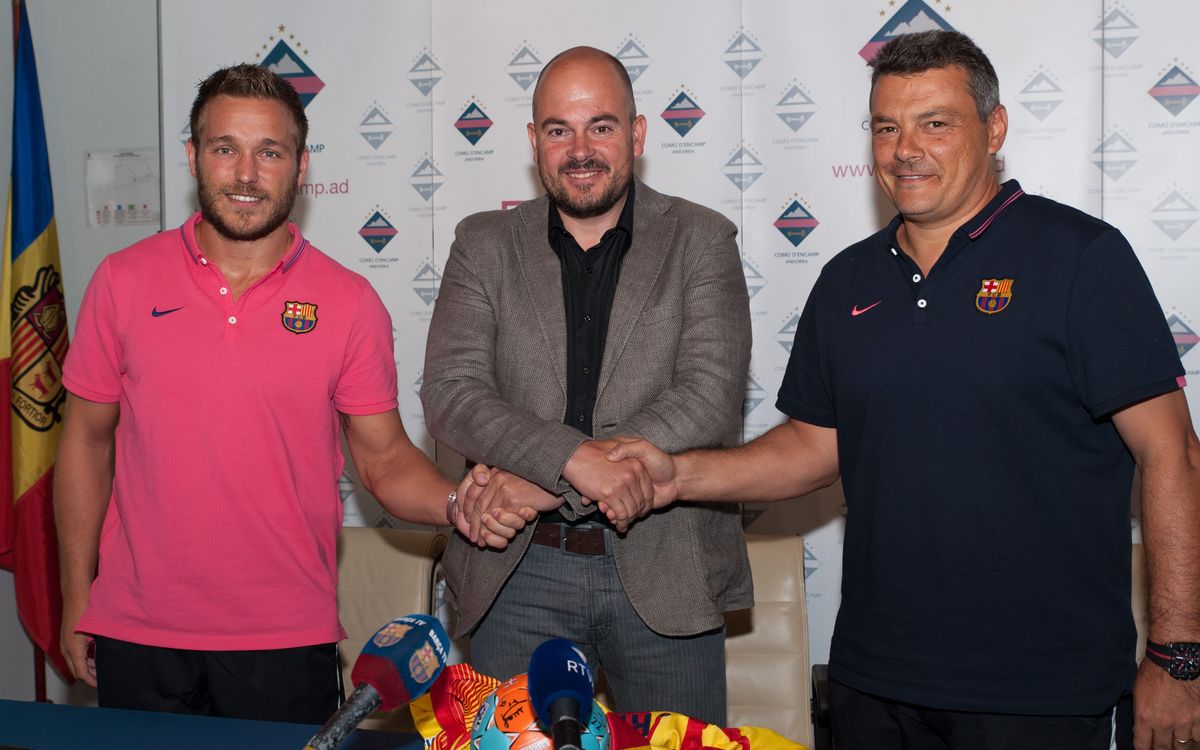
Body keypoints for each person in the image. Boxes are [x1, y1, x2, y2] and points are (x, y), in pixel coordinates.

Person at [604, 31, 1200, 750]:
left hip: (1039, 692)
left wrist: (1179, 658)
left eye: (935, 123)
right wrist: (679, 475)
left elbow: (1174, 457)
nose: (904, 149)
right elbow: (816, 445)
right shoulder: (848, 280)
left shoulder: (1082, 258)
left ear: (995, 129)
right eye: (887, 126)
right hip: (873, 684)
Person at [54, 64, 527, 724]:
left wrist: (457, 504)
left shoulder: (349, 302)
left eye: (269, 152)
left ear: (301, 167)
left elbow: (384, 461)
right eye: (225, 149)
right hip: (138, 634)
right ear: (194, 157)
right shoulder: (121, 281)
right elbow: (84, 441)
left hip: (284, 641)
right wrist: (78, 594)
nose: (246, 175)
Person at [419, 46, 752, 724]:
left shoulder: (703, 239)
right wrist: (573, 465)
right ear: (534, 140)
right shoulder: (481, 244)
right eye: (557, 129)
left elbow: (710, 394)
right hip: (517, 571)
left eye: (601, 126)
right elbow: (452, 393)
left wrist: (543, 482)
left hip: (666, 569)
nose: (580, 149)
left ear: (637, 133)